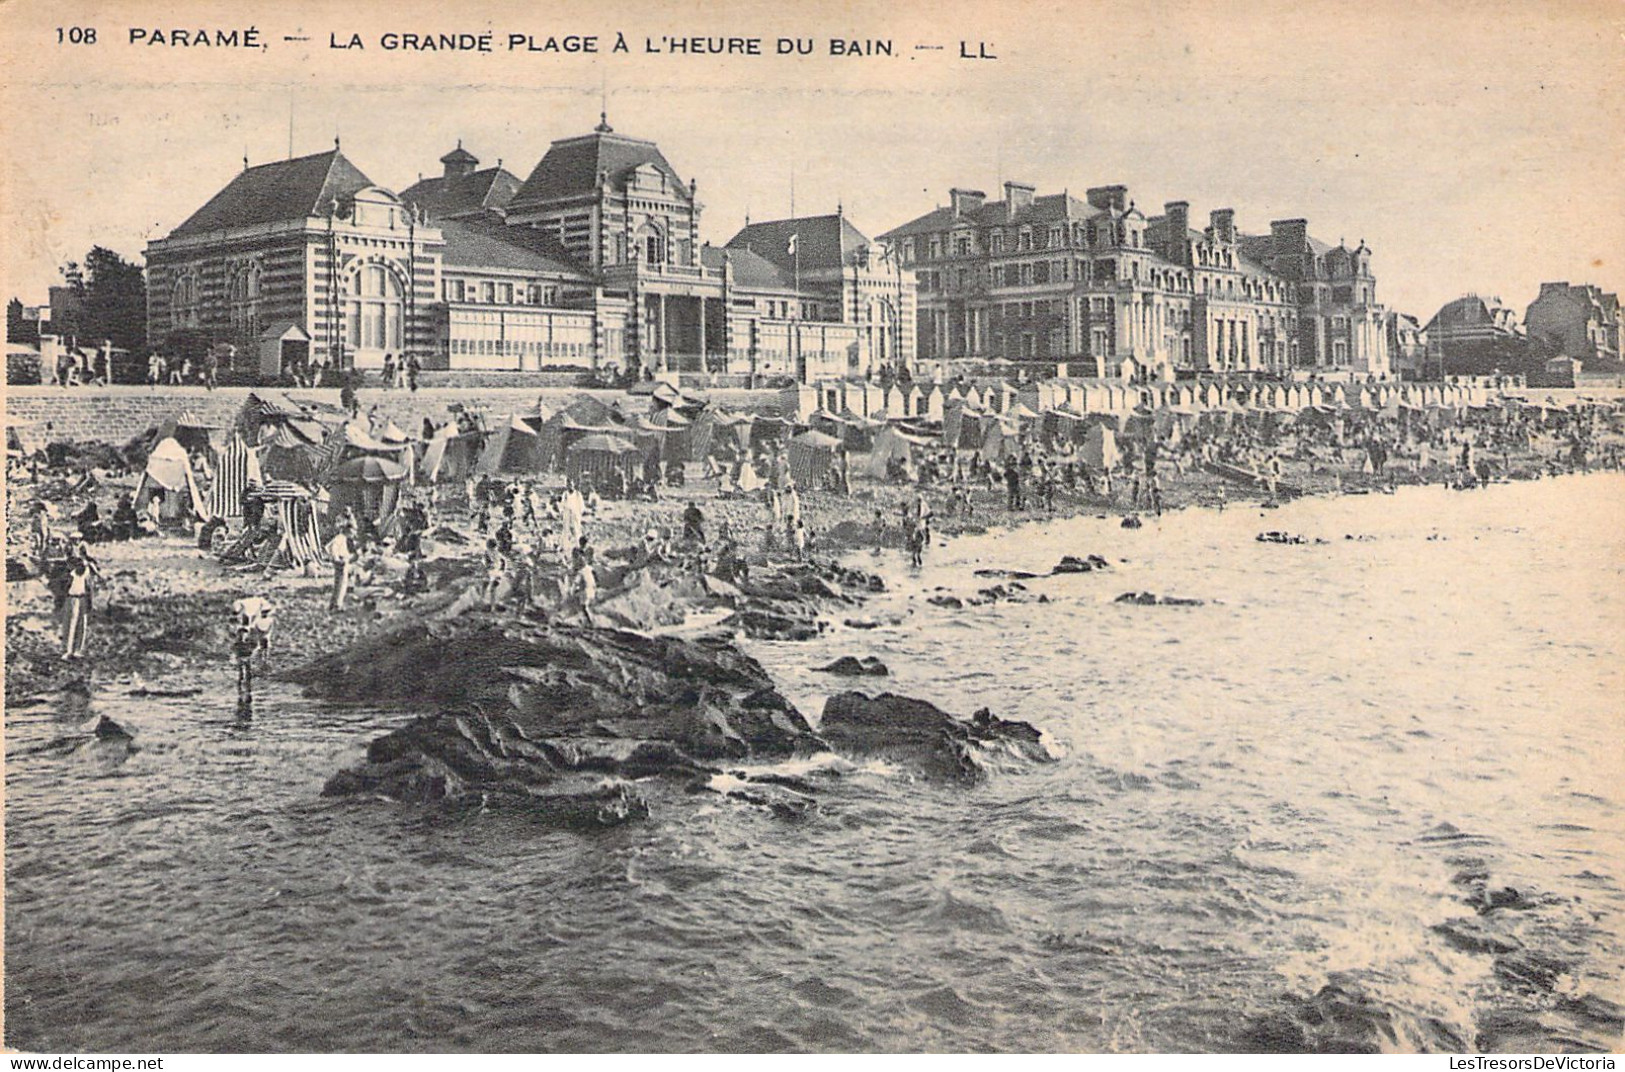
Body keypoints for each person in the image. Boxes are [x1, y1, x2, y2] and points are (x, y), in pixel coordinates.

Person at [60, 545, 101, 659]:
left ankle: (78, 650)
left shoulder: (86, 572)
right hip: (72, 598)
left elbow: (90, 587)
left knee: (82, 624)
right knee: (70, 625)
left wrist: (90, 602)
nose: (81, 564)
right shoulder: (70, 574)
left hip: (83, 598)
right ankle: (67, 651)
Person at [326, 518, 354, 611]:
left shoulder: (343, 538)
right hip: (341, 562)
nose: (354, 533)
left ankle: (334, 603)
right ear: (347, 529)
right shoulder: (340, 538)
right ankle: (337, 604)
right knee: (341, 584)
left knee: (339, 583)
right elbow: (332, 547)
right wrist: (336, 558)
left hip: (343, 560)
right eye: (353, 530)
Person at [483, 538, 508, 611]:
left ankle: (487, 603)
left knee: (486, 587)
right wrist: (502, 570)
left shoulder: (487, 553)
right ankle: (493, 605)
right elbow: (504, 561)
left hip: (491, 572)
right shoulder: (498, 554)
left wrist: (487, 568)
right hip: (498, 573)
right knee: (493, 589)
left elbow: (486, 563)